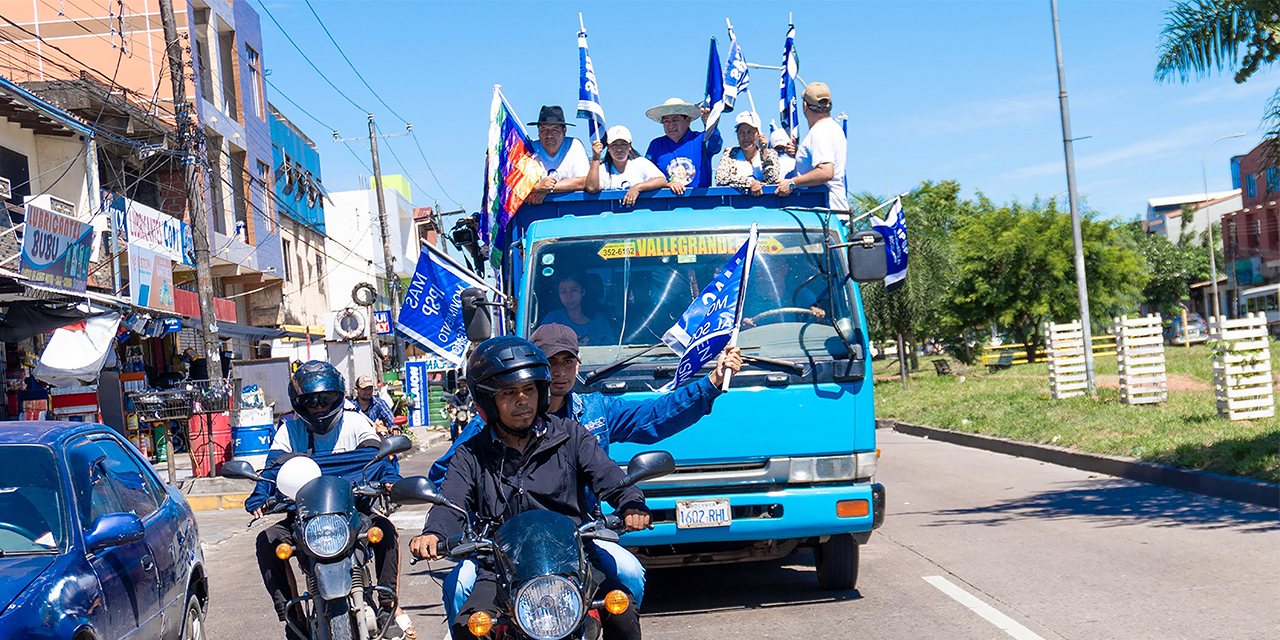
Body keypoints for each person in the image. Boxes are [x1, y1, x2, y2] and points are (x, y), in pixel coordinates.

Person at [429, 324, 743, 622]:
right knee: (460, 590)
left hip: (576, 538)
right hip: (502, 548)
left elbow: (651, 422)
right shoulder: (481, 434)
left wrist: (710, 383)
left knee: (628, 577)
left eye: (569, 361)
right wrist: (442, 532)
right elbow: (450, 484)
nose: (561, 372)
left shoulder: (587, 420)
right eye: (552, 363)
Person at [410, 337, 650, 640]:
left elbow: (608, 475)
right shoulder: (471, 454)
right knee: (468, 627)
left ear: (542, 391)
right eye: (509, 393)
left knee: (621, 610)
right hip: (498, 568)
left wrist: (630, 503)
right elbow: (451, 500)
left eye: (529, 390)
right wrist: (435, 533)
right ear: (487, 401)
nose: (522, 400)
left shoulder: (571, 436)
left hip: (574, 561)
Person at [246, 361, 413, 640]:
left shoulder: (356, 422)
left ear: (339, 396)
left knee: (385, 532)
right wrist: (261, 495)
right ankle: (293, 619)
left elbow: (378, 460)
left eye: (326, 399)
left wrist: (389, 481)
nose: (319, 407)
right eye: (311, 402)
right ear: (299, 404)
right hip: (301, 517)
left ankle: (386, 606)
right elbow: (273, 470)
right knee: (267, 541)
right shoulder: (289, 430)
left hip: (353, 513)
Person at [775, 82, 848, 211]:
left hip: (825, 213)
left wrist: (792, 183)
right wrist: (800, 155)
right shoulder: (833, 128)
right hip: (835, 211)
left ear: (805, 106)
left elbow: (826, 172)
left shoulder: (819, 132)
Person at [644, 97, 723, 191]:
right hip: (666, 203)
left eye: (675, 120)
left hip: (699, 203)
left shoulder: (701, 139)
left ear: (688, 121)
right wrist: (667, 184)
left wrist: (711, 125)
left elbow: (716, 146)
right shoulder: (656, 145)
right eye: (666, 121)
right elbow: (646, 175)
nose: (671, 125)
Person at [587, 125, 669, 206]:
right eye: (614, 145)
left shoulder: (640, 163)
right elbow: (592, 188)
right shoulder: (602, 169)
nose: (619, 149)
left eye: (623, 144)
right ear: (608, 148)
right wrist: (595, 159)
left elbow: (661, 180)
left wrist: (638, 188)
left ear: (629, 146)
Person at [525, 105, 590, 205]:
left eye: (554, 130)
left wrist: (546, 190)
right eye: (544, 130)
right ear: (538, 132)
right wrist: (536, 187)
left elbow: (583, 181)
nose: (549, 135)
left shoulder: (574, 145)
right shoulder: (530, 149)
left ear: (564, 131)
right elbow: (515, 182)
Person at [540, 273, 616, 346]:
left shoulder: (600, 320)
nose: (569, 296)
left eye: (574, 290)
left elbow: (611, 348)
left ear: (583, 292)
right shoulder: (552, 320)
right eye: (563, 292)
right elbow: (541, 345)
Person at [714, 111, 780, 195]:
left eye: (750, 132)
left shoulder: (771, 153)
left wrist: (764, 151)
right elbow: (721, 179)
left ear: (758, 134)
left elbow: (772, 179)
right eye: (741, 132)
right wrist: (750, 182)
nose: (745, 137)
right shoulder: (730, 154)